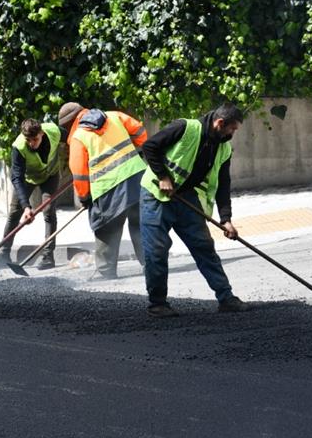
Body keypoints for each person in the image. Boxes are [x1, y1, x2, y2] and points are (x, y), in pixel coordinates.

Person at [137, 103, 249, 317]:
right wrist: (162, 176)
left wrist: (226, 219)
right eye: (232, 129)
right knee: (157, 251)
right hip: (156, 196)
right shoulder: (185, 128)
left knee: (204, 246)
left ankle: (226, 298)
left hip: (185, 197)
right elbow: (150, 146)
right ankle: (158, 304)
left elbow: (223, 184)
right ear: (220, 123)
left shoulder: (223, 148)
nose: (233, 134)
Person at [66, 103, 148, 280]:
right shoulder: (114, 115)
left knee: (106, 228)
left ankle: (106, 271)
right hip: (137, 178)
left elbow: (79, 173)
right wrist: (140, 148)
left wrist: (84, 196)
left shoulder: (79, 137)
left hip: (108, 188)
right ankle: (151, 265)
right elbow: (140, 131)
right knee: (140, 224)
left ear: (71, 122)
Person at [0, 117, 67, 269]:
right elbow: (16, 177)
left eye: (35, 139)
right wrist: (26, 207)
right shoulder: (19, 147)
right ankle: (3, 254)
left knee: (49, 211)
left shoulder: (54, 131)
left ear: (42, 133)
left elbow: (74, 140)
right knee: (14, 213)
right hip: (28, 178)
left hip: (50, 175)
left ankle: (48, 257)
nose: (31, 144)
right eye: (28, 140)